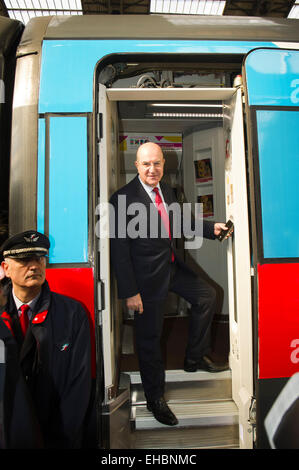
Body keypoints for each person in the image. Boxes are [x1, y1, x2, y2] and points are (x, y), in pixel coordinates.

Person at [110, 142, 230, 427]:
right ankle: (155, 399)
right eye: (146, 164)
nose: (153, 169)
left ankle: (195, 357)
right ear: (137, 166)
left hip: (170, 267)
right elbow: (119, 251)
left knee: (207, 296)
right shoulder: (122, 199)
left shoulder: (168, 191)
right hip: (144, 281)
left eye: (157, 163)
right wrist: (129, 292)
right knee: (149, 340)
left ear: (163, 164)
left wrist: (210, 229)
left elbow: (179, 222)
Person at [0, 231, 91, 448]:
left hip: (56, 434)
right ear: (6, 269)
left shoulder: (72, 314)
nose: (34, 266)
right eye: (24, 260)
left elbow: (78, 386)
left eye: (40, 259)